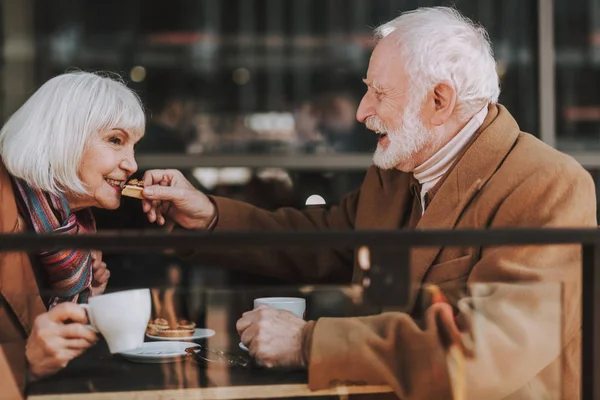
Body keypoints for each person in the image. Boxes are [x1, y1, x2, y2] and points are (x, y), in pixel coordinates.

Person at [140, 7, 595, 399]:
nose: (361, 110)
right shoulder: (399, 168)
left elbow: (482, 352)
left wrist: (309, 343)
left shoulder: (549, 185)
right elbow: (328, 241)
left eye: (379, 92)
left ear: (439, 100)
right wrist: (210, 217)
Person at [0, 71, 145, 397]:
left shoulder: (72, 231)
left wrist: (86, 301)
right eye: (116, 140)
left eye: (134, 146)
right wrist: (22, 363)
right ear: (63, 137)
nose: (132, 164)